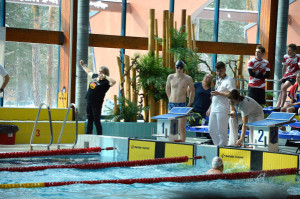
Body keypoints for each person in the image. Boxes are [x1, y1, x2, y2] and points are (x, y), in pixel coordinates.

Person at [80, 60, 116, 135]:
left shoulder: (106, 82)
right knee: (89, 120)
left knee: (96, 121)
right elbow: (89, 72)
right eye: (99, 72)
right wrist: (83, 65)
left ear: (105, 74)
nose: (100, 73)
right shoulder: (96, 77)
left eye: (102, 72)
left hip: (97, 103)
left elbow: (114, 81)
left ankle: (99, 136)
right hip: (89, 101)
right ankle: (88, 135)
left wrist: (105, 77)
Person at [207, 62, 236, 146]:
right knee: (211, 130)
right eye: (217, 71)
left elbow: (232, 94)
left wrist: (219, 93)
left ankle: (222, 147)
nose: (218, 73)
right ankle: (217, 146)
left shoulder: (229, 80)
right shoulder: (218, 79)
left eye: (220, 71)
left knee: (221, 131)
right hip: (214, 108)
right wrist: (210, 108)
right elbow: (215, 94)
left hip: (223, 108)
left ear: (224, 69)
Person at [166, 60, 195, 142]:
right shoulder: (170, 77)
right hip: (172, 104)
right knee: (172, 126)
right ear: (175, 68)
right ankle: (172, 141)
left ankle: (183, 142)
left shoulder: (188, 78)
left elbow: (192, 90)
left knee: (181, 126)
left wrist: (190, 102)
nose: (179, 70)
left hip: (182, 104)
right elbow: (167, 88)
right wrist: (169, 98)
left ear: (183, 69)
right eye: (177, 68)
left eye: (181, 68)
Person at [276, 43, 300, 108]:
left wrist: (298, 76)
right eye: (288, 50)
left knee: (284, 88)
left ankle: (281, 105)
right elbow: (284, 67)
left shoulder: (298, 57)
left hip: (293, 75)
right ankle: (277, 105)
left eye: (290, 50)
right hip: (286, 75)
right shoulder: (285, 56)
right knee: (281, 89)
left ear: (294, 51)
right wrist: (283, 76)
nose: (288, 51)